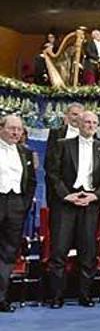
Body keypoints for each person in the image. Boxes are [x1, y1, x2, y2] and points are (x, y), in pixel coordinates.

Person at [45, 111, 100, 308]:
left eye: (94, 122)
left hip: (90, 203)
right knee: (59, 251)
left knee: (88, 252)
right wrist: (66, 195)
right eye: (87, 122)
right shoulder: (63, 145)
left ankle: (85, 295)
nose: (90, 125)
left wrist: (95, 195)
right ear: (78, 123)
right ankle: (56, 297)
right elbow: (53, 173)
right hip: (66, 203)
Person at [0, 116, 37, 313]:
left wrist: (23, 204)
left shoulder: (26, 152)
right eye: (12, 128)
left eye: (19, 129)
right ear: (1, 129)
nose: (16, 133)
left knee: (8, 252)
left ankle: (1, 298)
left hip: (16, 205)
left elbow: (31, 182)